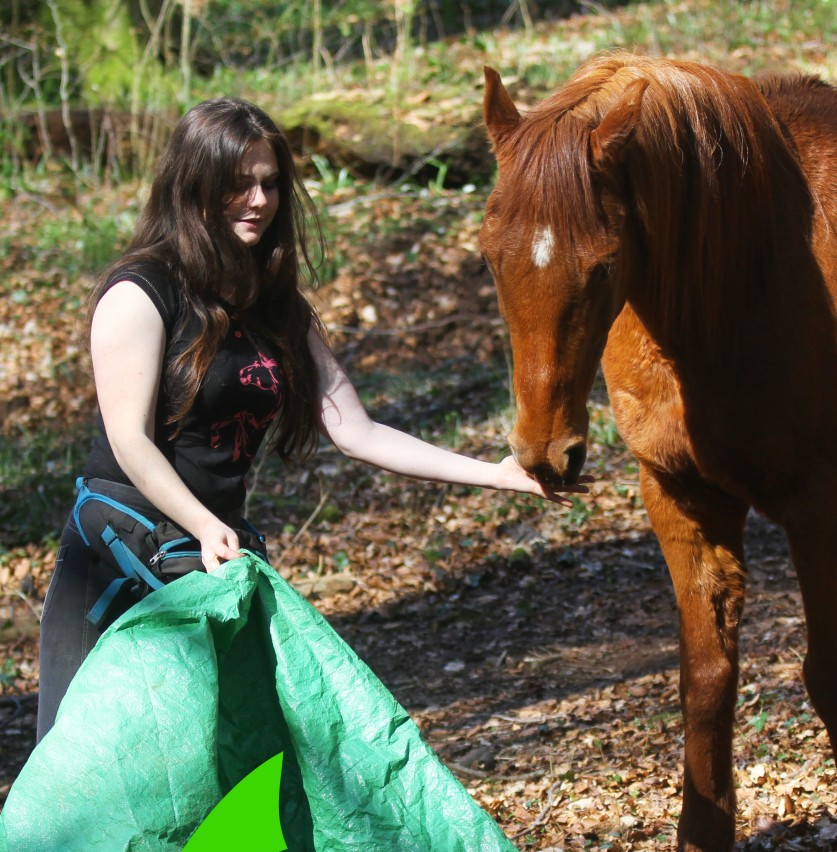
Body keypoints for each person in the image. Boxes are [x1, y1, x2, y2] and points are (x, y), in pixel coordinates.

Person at [36, 96, 587, 741]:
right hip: (121, 557)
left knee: (222, 768)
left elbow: (357, 430)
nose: (258, 200)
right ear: (195, 186)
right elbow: (128, 440)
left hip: (207, 560)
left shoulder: (277, 307)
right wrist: (206, 526)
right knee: (87, 770)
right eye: (238, 184)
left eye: (270, 183)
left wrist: (499, 476)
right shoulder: (142, 292)